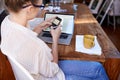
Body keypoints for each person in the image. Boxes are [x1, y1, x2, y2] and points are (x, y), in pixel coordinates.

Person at [0, 0, 109, 80]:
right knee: (97, 69)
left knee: (97, 68)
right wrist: (55, 39)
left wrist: (40, 27)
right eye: (41, 6)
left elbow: (24, 38)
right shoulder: (37, 46)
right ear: (30, 9)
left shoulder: (6, 22)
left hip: (34, 69)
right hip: (50, 75)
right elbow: (53, 70)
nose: (41, 9)